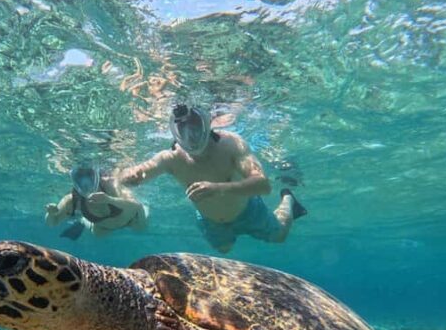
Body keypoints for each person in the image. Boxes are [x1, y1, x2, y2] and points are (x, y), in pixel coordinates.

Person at [119, 103, 306, 253]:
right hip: (211, 221)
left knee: (279, 236)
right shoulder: (170, 158)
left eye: (195, 127)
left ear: (207, 123)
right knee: (224, 249)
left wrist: (219, 188)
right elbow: (137, 172)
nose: (191, 136)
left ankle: (288, 198)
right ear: (175, 132)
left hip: (249, 211)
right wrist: (129, 175)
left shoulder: (231, 144)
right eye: (183, 129)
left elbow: (263, 185)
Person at [45, 163, 148, 239]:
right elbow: (52, 223)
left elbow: (136, 206)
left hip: (131, 220)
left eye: (89, 175)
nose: (85, 182)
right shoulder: (73, 200)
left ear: (96, 175)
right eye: (80, 177)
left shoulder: (110, 185)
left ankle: (83, 220)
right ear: (74, 180)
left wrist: (109, 200)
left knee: (141, 228)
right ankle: (82, 221)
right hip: (103, 228)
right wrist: (51, 214)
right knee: (97, 234)